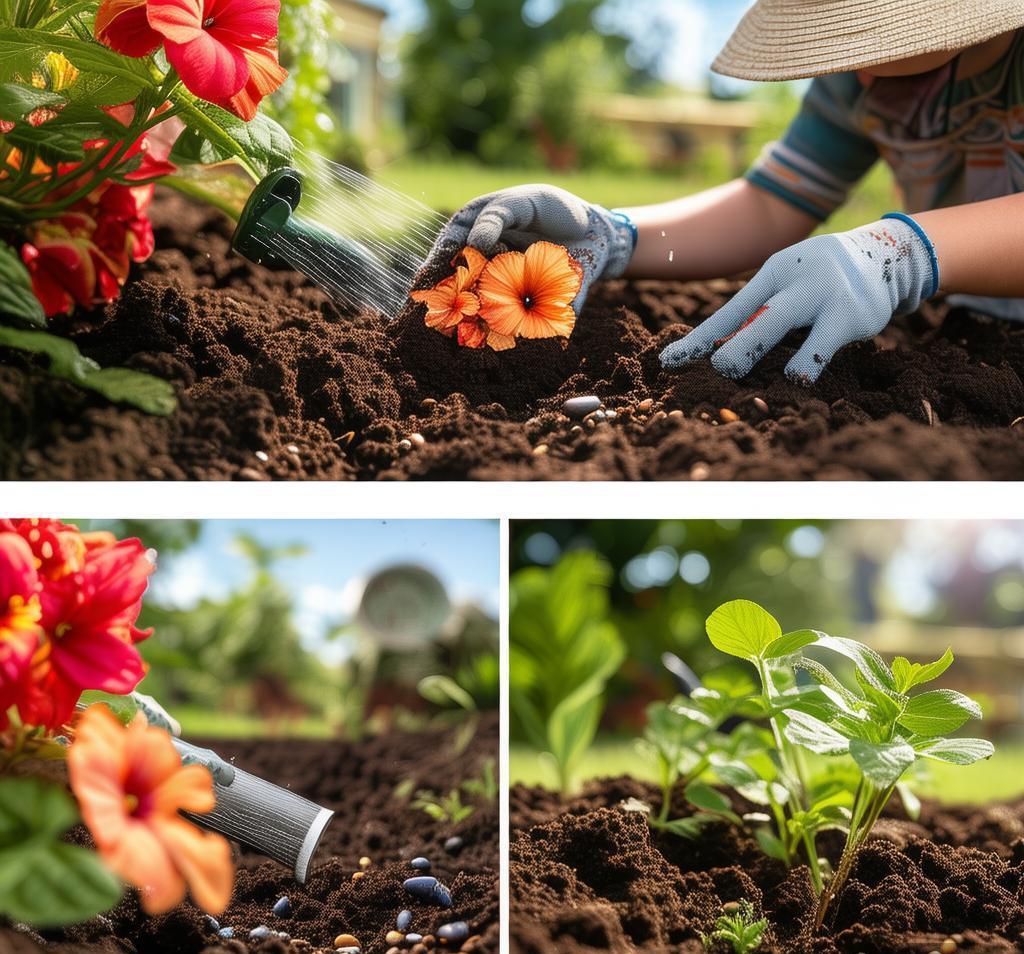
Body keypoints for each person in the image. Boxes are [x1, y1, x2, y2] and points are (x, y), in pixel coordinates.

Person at [422, 0, 1024, 384]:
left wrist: (903, 252)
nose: (859, 69)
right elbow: (772, 202)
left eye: (874, 36)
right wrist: (618, 234)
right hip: (971, 323)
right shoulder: (855, 85)